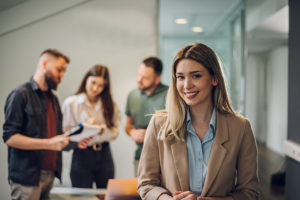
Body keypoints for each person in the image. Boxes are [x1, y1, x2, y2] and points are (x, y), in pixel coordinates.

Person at [137, 43, 259, 200]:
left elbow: (250, 192)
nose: (187, 85)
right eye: (180, 77)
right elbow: (146, 184)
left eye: (196, 76)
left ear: (214, 79)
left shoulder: (240, 128)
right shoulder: (158, 124)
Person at [2, 49, 90, 200]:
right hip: (27, 177)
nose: (61, 75)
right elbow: (10, 138)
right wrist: (48, 143)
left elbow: (55, 138)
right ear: (44, 64)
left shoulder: (53, 99)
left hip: (50, 175)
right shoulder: (20, 94)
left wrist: (76, 143)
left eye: (63, 71)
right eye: (59, 69)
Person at [62, 64, 120, 188]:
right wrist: (85, 128)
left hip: (104, 153)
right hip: (82, 154)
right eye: (93, 82)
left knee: (106, 194)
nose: (95, 88)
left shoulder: (110, 105)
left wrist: (99, 129)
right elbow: (65, 132)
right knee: (82, 196)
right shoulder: (71, 103)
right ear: (86, 80)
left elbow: (115, 131)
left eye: (100, 85)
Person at [125, 57, 169, 176]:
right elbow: (128, 125)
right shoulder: (132, 95)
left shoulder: (171, 95)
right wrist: (132, 132)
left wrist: (153, 134)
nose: (139, 79)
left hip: (166, 160)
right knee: (139, 194)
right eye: (139, 74)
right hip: (140, 157)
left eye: (145, 77)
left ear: (157, 79)